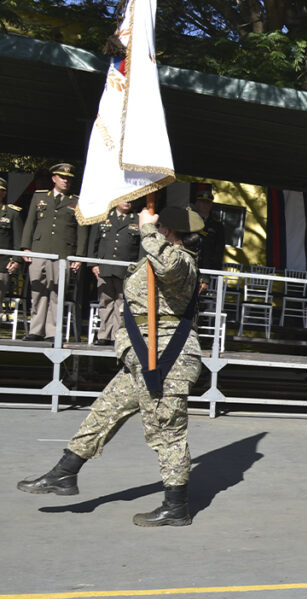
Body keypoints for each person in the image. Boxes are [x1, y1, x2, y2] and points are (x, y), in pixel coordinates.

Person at [17, 206, 205, 526]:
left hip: (165, 359)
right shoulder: (161, 255)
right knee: (105, 411)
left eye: (160, 225)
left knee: (167, 431)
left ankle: (176, 507)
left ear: (169, 231)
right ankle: (65, 473)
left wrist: (146, 230)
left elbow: (168, 266)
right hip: (143, 355)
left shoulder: (180, 259)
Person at [20, 163, 87, 341]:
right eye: (62, 178)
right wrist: (25, 247)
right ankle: (35, 330)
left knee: (57, 293)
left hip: (63, 253)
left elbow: (81, 230)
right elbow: (30, 222)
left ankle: (52, 332)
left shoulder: (76, 201)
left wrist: (79, 256)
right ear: (54, 179)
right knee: (38, 290)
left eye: (69, 179)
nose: (66, 181)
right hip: (39, 250)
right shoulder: (40, 196)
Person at [87, 200, 140, 345]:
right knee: (105, 301)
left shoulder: (137, 219)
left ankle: (117, 336)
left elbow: (141, 246)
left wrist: (137, 268)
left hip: (125, 269)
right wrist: (93, 263)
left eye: (130, 200)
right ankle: (104, 335)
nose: (127, 202)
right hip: (105, 267)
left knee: (121, 302)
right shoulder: (104, 217)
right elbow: (94, 241)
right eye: (124, 199)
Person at [192, 184, 225, 288]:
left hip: (207, 268)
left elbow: (218, 250)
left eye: (208, 203)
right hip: (189, 264)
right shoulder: (189, 221)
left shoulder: (217, 226)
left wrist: (210, 273)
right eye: (202, 202)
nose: (205, 205)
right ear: (196, 203)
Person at [0, 177, 24, 299]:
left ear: (4, 193)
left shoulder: (12, 213)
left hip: (2, 265)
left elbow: (18, 240)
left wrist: (16, 260)